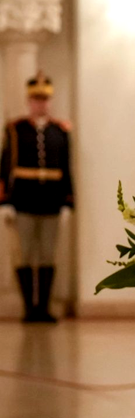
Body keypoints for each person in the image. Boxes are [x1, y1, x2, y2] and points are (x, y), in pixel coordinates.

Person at [0, 71, 73, 323]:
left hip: (52, 201)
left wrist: (68, 201)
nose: (40, 103)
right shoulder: (15, 130)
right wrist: (5, 201)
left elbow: (66, 167)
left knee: (47, 254)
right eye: (36, 99)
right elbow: (5, 166)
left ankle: (43, 307)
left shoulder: (60, 131)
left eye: (44, 99)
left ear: (49, 101)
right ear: (29, 101)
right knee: (24, 254)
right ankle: (28, 308)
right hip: (23, 200)